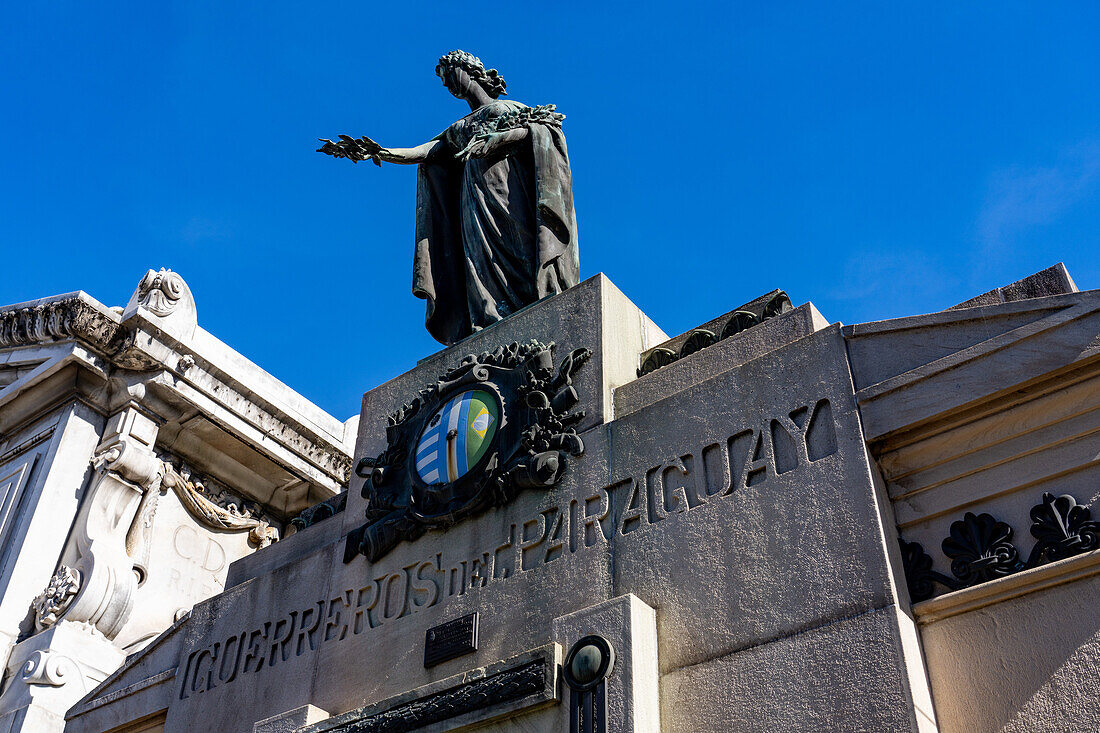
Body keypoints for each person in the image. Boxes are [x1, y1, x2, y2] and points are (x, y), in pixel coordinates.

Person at [319, 50, 579, 345]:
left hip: (507, 193)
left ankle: (529, 304)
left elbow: (542, 130)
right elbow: (425, 152)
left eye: (449, 75)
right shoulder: (457, 129)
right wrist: (380, 152)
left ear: (469, 71)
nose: (447, 85)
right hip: (473, 203)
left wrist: (497, 139)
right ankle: (490, 319)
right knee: (478, 260)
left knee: (517, 246)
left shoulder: (508, 107)